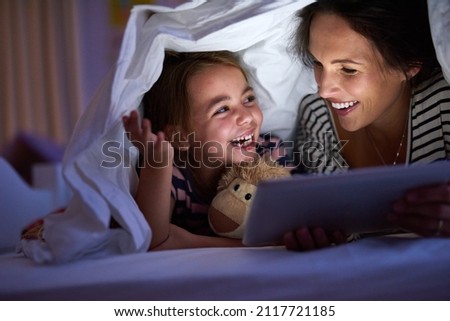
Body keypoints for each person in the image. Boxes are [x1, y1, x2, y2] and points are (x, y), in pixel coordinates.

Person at [285, 0, 450, 251]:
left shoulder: (443, 105)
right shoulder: (317, 116)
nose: (324, 89)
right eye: (318, 63)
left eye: (349, 70)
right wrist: (323, 238)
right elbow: (338, 232)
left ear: (408, 66)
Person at [123, 50, 286, 250]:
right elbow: (150, 240)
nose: (246, 117)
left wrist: (186, 241)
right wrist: (157, 162)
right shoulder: (175, 175)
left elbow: (299, 216)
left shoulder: (271, 151)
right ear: (181, 137)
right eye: (222, 109)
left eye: (248, 99)